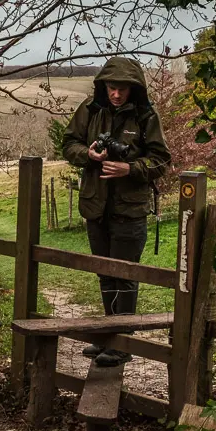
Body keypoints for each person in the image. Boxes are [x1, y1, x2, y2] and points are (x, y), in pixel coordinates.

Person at [61, 57, 171, 367]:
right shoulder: (90, 109)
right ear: (103, 86)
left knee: (126, 275)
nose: (116, 95)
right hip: (97, 207)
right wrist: (89, 154)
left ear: (133, 89)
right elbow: (68, 144)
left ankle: (123, 344)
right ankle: (110, 337)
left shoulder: (146, 116)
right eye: (111, 88)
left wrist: (130, 169)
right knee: (105, 273)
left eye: (123, 89)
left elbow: (162, 160)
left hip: (129, 209)